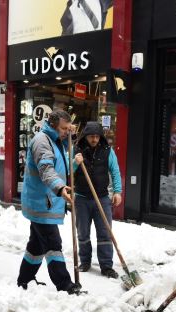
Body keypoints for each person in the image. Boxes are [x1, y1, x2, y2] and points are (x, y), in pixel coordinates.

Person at [17, 110, 80, 295]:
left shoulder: (56, 140)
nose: (66, 132)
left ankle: (24, 280)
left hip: (46, 202)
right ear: (52, 125)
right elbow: (46, 169)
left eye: (68, 129)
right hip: (42, 204)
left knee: (36, 246)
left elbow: (63, 165)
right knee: (53, 245)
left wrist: (70, 132)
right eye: (63, 128)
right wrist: (60, 188)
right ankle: (65, 286)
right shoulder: (41, 141)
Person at [72, 121, 122, 278]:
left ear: (101, 137)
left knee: (105, 233)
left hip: (102, 198)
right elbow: (67, 172)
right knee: (83, 233)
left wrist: (117, 192)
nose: (94, 139)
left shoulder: (108, 151)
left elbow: (115, 171)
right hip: (81, 198)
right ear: (85, 137)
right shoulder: (76, 150)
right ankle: (85, 262)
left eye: (97, 136)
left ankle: (106, 266)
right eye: (91, 137)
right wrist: (75, 163)